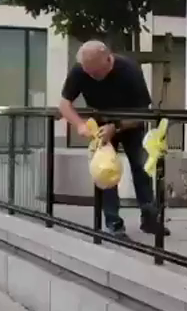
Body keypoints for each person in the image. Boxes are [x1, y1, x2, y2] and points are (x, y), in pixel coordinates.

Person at [59, 40, 169, 237]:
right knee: (105, 172)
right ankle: (113, 222)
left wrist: (116, 126)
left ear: (108, 60)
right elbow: (64, 104)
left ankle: (149, 217)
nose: (91, 76)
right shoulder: (80, 71)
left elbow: (143, 111)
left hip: (131, 123)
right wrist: (80, 124)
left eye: (96, 73)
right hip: (102, 124)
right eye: (88, 73)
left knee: (142, 167)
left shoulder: (129, 70)